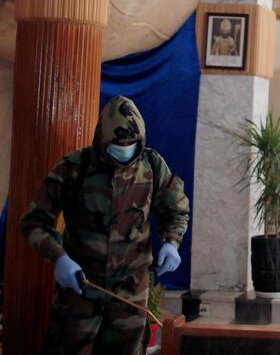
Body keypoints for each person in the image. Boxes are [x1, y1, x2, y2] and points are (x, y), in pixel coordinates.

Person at [20, 96, 190, 355]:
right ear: (102, 139)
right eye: (117, 145)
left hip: (130, 294)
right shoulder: (75, 167)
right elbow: (33, 222)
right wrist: (58, 258)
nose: (124, 149)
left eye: (131, 144)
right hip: (82, 289)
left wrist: (171, 242)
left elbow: (176, 209)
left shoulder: (152, 166)